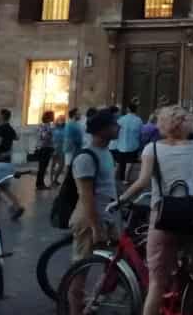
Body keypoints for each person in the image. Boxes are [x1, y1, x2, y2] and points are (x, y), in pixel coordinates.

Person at [120, 106, 193, 315]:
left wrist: (121, 199)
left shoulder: (151, 149)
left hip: (163, 215)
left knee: (156, 283)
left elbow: (142, 182)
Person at [63, 111, 119, 315]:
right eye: (114, 124)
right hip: (89, 219)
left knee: (115, 265)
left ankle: (92, 302)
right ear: (102, 130)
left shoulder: (107, 152)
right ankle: (74, 310)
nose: (118, 127)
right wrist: (96, 227)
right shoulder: (86, 157)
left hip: (106, 216)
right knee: (80, 270)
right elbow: (86, 196)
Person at [33, 110, 57, 190]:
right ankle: (40, 184)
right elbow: (43, 137)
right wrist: (50, 131)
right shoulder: (44, 125)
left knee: (43, 166)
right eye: (52, 115)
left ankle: (40, 183)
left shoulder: (48, 125)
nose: (54, 117)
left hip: (47, 148)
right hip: (44, 148)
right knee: (42, 167)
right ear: (49, 117)